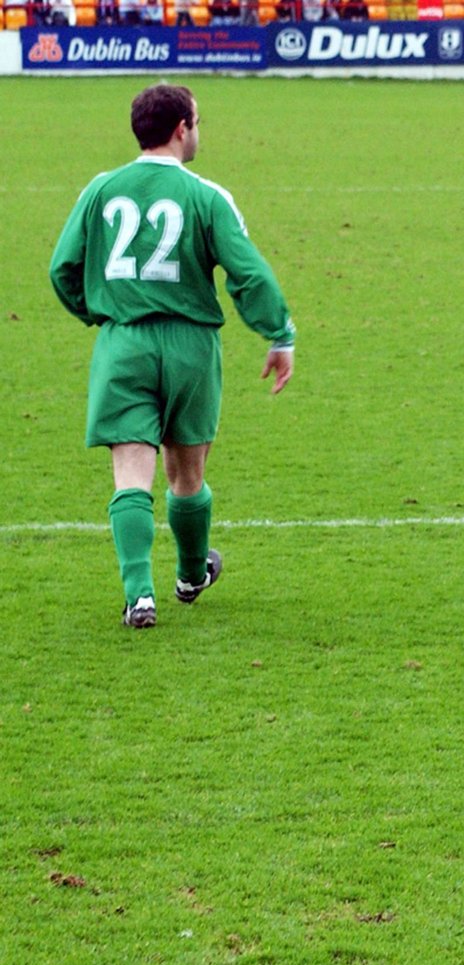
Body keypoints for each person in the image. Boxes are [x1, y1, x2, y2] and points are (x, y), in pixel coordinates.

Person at [50, 84, 295, 629]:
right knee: (186, 474)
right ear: (182, 128)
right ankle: (190, 574)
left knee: (130, 474)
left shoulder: (101, 188)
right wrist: (278, 334)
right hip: (189, 346)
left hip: (125, 343)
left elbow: (62, 270)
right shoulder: (207, 195)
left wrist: (101, 312)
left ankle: (140, 595)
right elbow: (248, 273)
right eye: (198, 121)